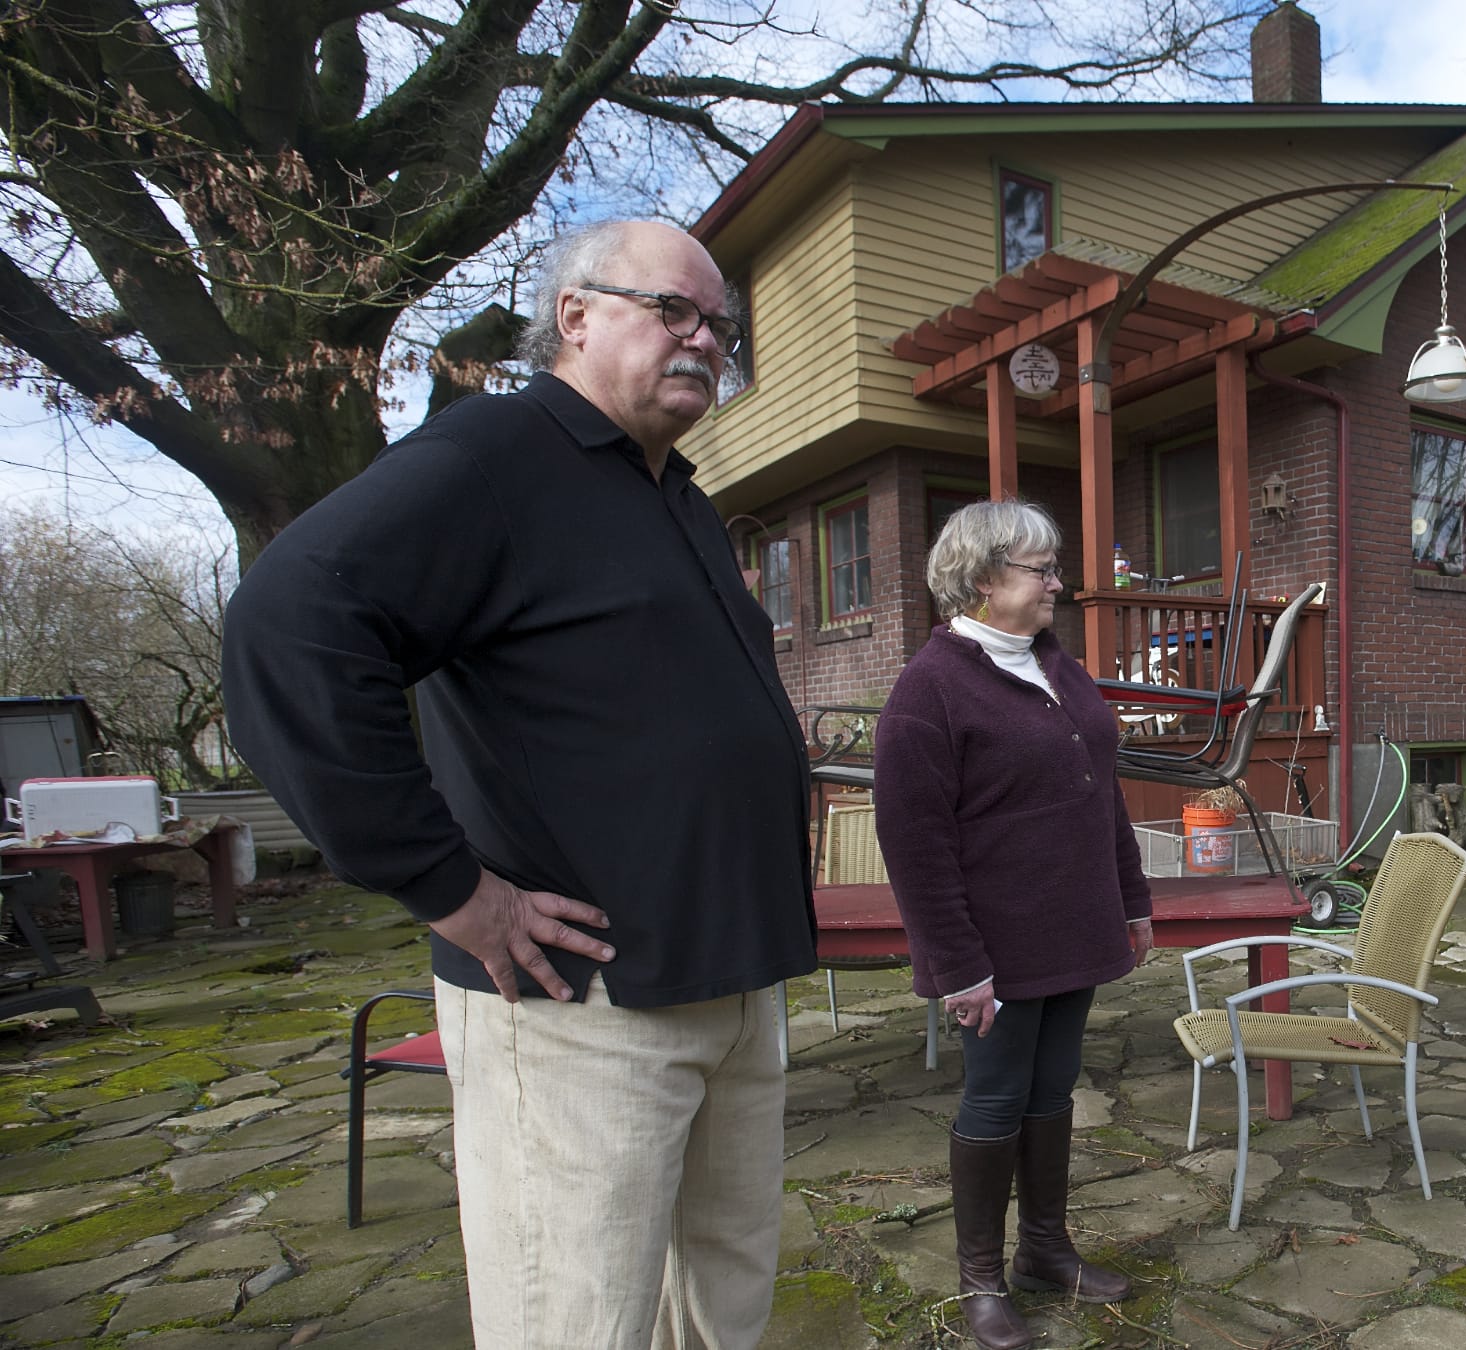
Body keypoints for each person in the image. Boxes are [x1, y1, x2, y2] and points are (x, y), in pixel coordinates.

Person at [221, 220, 818, 1349]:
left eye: (720, 328)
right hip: (581, 1005)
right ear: (576, 317)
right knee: (578, 1318)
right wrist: (449, 886)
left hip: (734, 980)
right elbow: (289, 628)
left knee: (721, 1305)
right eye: (673, 312)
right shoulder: (495, 455)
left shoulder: (674, 495)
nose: (703, 341)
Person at [871, 500, 1154, 1350]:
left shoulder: (1055, 666)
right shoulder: (931, 688)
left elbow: (1101, 794)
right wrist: (958, 966)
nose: (1056, 584)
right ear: (984, 577)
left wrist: (1132, 900)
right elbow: (913, 845)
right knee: (995, 1098)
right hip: (995, 946)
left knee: (1053, 1091)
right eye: (1041, 569)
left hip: (1074, 927)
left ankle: (1045, 1252)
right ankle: (982, 1283)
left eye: (1053, 568)